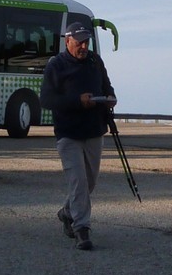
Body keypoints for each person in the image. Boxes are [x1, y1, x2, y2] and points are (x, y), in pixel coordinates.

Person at [40, 23, 115, 252]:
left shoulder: (95, 61)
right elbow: (46, 100)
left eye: (86, 42)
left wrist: (110, 98)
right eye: (79, 42)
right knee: (78, 182)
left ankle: (67, 212)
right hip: (68, 133)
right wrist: (77, 101)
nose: (83, 46)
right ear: (67, 41)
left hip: (94, 130)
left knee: (89, 182)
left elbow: (107, 86)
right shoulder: (56, 65)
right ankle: (82, 229)